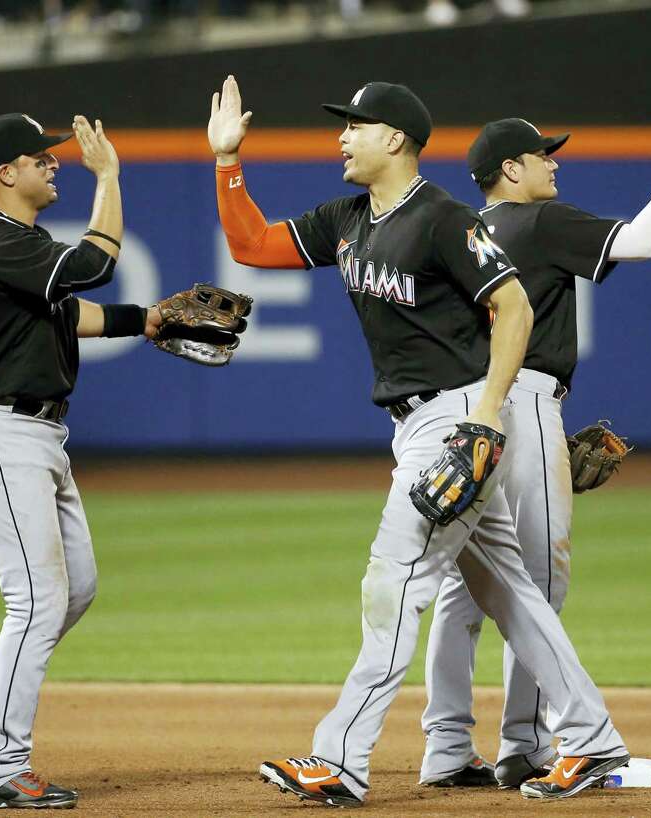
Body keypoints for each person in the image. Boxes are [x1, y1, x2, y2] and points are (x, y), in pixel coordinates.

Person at [208, 75, 628, 806]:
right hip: (415, 426)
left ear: (395, 138)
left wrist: (488, 415)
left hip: (457, 416)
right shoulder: (349, 216)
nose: (341, 137)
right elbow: (251, 244)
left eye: (355, 126)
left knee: (393, 578)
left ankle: (339, 757)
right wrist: (226, 162)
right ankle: (592, 740)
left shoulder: (441, 218)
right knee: (510, 592)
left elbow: (515, 307)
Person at [418, 86, 651, 789]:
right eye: (541, 156)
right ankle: (537, 743)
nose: (554, 165)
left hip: (463, 410)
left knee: (468, 590)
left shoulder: (460, 233)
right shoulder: (540, 222)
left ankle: (446, 748)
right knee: (539, 581)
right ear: (510, 171)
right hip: (521, 400)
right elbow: (642, 241)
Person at [0, 112, 163, 808]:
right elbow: (93, 264)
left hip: (32, 438)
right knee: (33, 601)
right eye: (41, 157)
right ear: (7, 173)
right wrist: (110, 177)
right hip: (2, 432)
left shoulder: (17, 245)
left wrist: (145, 320)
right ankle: (0, 768)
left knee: (75, 586)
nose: (54, 163)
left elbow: (72, 313)